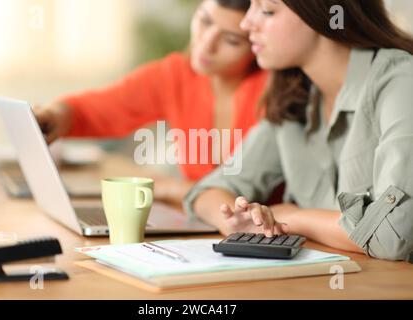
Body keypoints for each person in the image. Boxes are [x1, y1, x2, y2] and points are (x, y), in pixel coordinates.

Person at [184, 0, 413, 261]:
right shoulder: (293, 96)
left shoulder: (401, 81)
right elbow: (206, 191)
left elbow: (392, 235)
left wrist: (291, 217)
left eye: (267, 10)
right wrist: (240, 220)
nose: (246, 23)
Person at [33, 0, 272, 205]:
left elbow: (242, 196)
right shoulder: (176, 74)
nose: (207, 44)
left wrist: (170, 187)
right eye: (204, 21)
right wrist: (54, 115)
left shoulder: (275, 91)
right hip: (202, 229)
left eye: (231, 40)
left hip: (268, 240)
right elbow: (103, 108)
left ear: (257, 44)